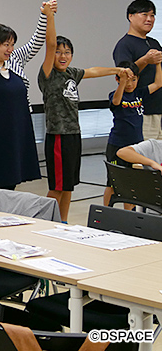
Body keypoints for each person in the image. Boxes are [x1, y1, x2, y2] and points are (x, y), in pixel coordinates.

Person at [38, 32, 126, 223]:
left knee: (68, 186)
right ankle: (43, 222)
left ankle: (63, 222)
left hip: (73, 135)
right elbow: (50, 44)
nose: (63, 56)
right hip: (58, 137)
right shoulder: (48, 75)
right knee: (57, 188)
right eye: (58, 52)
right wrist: (50, 17)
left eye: (67, 52)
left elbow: (93, 71)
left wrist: (117, 70)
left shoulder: (72, 73)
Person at [0, 0, 55, 190]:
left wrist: (45, 16)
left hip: (18, 126)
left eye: (12, 44)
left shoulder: (14, 60)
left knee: (13, 177)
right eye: (5, 45)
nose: (10, 49)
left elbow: (35, 43)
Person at [104, 60, 162, 206]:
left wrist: (158, 64)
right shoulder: (115, 94)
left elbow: (158, 83)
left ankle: (129, 214)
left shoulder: (139, 93)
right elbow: (116, 102)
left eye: (133, 80)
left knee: (133, 184)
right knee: (113, 183)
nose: (130, 84)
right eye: (126, 80)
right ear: (117, 79)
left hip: (135, 147)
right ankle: (107, 211)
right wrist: (123, 80)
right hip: (117, 145)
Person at [112, 0, 162, 140]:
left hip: (159, 108)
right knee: (146, 151)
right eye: (144, 14)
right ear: (131, 16)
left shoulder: (154, 43)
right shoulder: (124, 45)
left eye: (152, 15)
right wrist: (145, 60)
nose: (149, 19)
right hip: (142, 111)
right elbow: (125, 74)